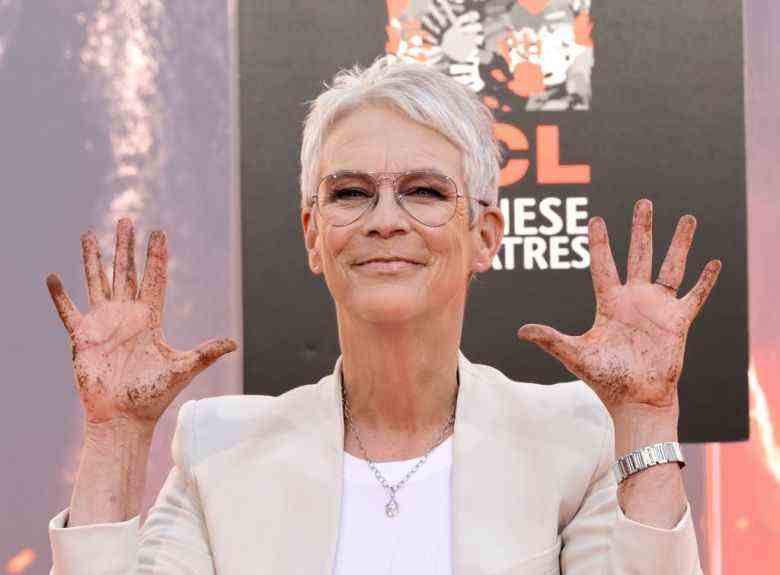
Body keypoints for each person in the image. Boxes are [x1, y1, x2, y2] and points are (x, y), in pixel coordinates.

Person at [45, 55, 719, 574]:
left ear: (485, 234)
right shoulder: (217, 448)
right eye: (351, 193)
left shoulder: (573, 439)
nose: (385, 220)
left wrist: (645, 419)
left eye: (424, 191)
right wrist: (116, 437)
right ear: (314, 234)